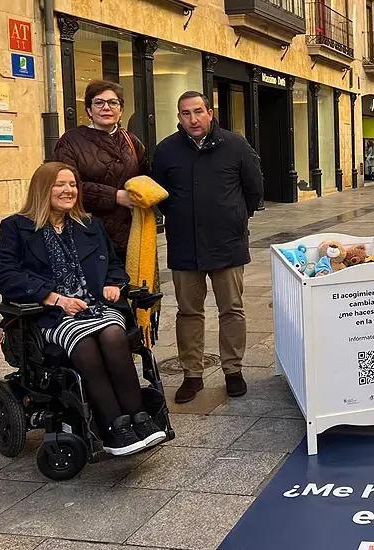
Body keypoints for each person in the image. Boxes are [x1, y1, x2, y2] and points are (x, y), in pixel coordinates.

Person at [0, 162, 165, 456]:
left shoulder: (90, 224)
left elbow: (112, 263)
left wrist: (114, 282)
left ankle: (140, 418)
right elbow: (6, 276)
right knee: (84, 345)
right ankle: (114, 428)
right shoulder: (16, 227)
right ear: (42, 189)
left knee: (113, 335)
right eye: (60, 184)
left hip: (97, 306)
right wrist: (53, 297)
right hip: (53, 314)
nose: (68, 190)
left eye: (72, 184)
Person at [152, 91, 264, 404]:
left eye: (198, 111)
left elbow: (254, 188)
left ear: (210, 113)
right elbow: (157, 193)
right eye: (186, 113)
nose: (193, 119)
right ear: (179, 117)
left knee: (232, 309)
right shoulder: (167, 150)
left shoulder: (235, 145)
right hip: (185, 245)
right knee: (189, 312)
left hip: (227, 243)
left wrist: (236, 217)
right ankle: (192, 374)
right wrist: (177, 217)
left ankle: (233, 370)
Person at [54, 80, 149, 260]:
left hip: (130, 233)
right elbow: (64, 187)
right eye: (99, 102)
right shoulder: (71, 141)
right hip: (87, 233)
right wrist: (114, 196)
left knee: (130, 286)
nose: (106, 107)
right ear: (89, 110)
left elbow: (145, 177)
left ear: (121, 110)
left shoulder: (132, 141)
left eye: (113, 102)